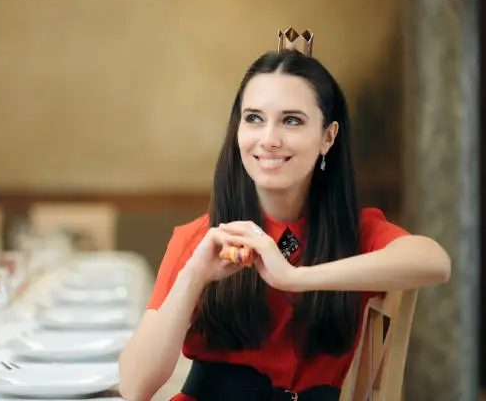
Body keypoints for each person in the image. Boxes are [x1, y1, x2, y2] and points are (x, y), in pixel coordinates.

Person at [118, 28, 451, 401]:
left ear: (328, 136)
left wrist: (294, 277)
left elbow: (434, 261)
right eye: (254, 118)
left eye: (291, 120)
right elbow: (134, 388)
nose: (269, 139)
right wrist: (194, 275)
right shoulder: (203, 239)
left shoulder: (354, 233)